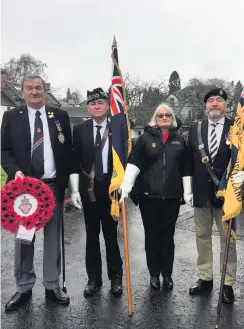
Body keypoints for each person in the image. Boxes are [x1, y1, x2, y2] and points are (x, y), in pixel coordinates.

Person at [1, 74, 73, 311]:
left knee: (53, 238)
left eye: (38, 88)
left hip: (52, 186)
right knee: (25, 239)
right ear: (22, 92)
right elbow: (4, 151)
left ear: (45, 90)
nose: (34, 92)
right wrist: (16, 172)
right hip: (25, 190)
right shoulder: (11, 117)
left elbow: (66, 153)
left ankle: (52, 286)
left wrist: (70, 188)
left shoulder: (60, 116)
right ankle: (23, 288)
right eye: (29, 88)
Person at [184, 88, 244, 303]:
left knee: (228, 240)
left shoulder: (235, 128)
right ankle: (205, 278)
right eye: (211, 100)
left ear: (225, 105)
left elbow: (241, 159)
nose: (215, 103)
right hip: (201, 194)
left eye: (219, 100)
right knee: (202, 238)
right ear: (205, 106)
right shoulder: (195, 129)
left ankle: (227, 283)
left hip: (227, 195)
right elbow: (189, 162)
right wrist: (187, 189)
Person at [119, 103, 187, 290]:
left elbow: (185, 168)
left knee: (168, 237)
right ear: (155, 118)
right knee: (152, 237)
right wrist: (127, 184)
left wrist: (187, 191)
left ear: (172, 118)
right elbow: (135, 161)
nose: (164, 118)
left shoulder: (180, 141)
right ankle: (154, 274)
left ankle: (167, 274)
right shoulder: (144, 139)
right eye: (160, 115)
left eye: (167, 115)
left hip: (171, 197)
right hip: (149, 198)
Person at [70, 88, 123, 297]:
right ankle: (93, 278)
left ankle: (116, 277)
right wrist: (74, 189)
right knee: (92, 235)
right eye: (92, 104)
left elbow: (125, 158)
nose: (96, 107)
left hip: (111, 190)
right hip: (89, 189)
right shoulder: (80, 129)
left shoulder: (117, 129)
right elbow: (74, 160)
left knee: (111, 235)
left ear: (108, 106)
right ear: (88, 107)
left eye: (100, 103)